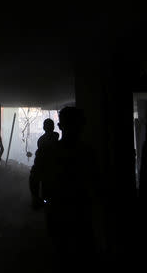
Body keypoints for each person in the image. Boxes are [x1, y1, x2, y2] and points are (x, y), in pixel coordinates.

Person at [29, 106, 97, 271]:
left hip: (57, 207)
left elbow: (34, 177)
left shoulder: (47, 150)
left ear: (59, 127)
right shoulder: (89, 152)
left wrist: (36, 198)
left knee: (61, 250)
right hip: (82, 209)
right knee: (81, 251)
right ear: (83, 125)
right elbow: (97, 181)